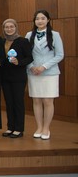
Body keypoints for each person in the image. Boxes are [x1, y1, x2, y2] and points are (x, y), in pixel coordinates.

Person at [25, 10, 64, 140]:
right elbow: (25, 54)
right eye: (37, 19)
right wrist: (31, 67)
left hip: (49, 73)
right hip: (33, 72)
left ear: (48, 20)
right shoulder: (29, 35)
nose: (40, 21)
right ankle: (39, 127)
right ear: (34, 21)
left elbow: (59, 55)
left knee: (47, 101)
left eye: (42, 18)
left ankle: (46, 128)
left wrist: (44, 66)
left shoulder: (55, 34)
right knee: (36, 100)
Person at [0, 18, 33, 139]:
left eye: (11, 27)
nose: (9, 29)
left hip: (18, 77)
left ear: (16, 27)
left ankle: (19, 129)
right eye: (6, 27)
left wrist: (18, 61)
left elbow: (29, 58)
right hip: (5, 77)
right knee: (9, 103)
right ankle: (10, 127)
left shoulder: (23, 41)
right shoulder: (2, 41)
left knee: (18, 103)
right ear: (3, 29)